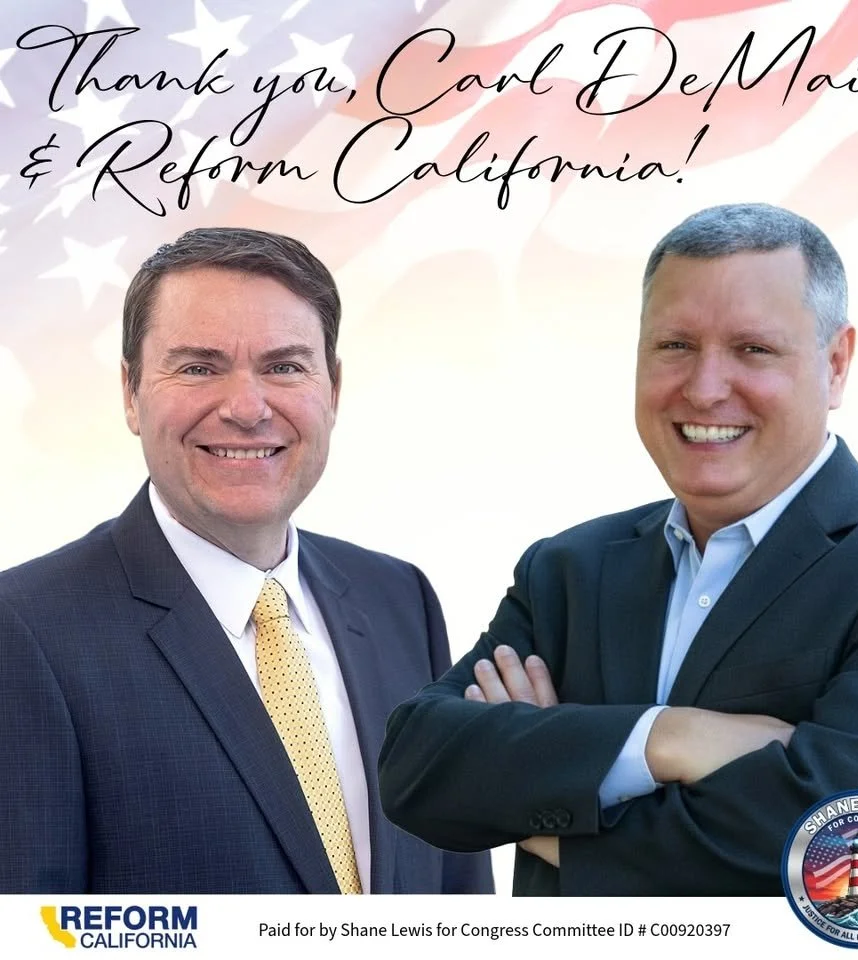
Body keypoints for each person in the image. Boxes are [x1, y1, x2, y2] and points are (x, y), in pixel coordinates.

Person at [378, 202, 858, 896]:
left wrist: (546, 786)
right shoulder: (569, 571)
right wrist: (673, 739)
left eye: (754, 349)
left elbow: (841, 837)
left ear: (835, 365)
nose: (706, 388)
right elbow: (418, 769)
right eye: (675, 345)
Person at [0, 227, 493, 895]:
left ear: (333, 388)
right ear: (129, 393)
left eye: (285, 366)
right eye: (199, 367)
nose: (246, 408)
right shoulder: (27, 631)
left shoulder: (400, 600)